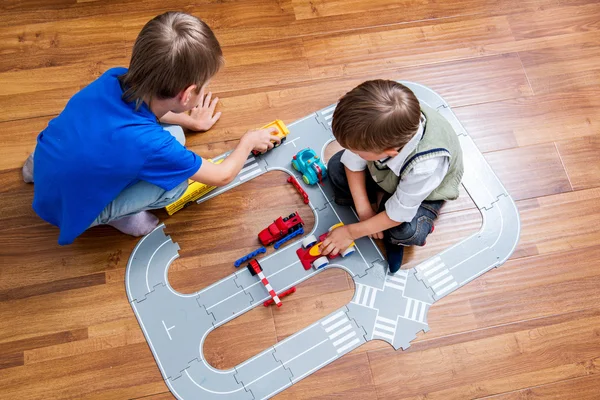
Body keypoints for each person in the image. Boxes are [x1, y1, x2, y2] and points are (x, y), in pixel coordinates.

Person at [22, 11, 280, 245]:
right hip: (68, 211)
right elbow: (222, 175)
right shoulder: (152, 145)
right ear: (187, 94)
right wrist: (248, 140)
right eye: (203, 87)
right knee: (177, 183)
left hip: (49, 157)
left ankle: (34, 169)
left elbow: (144, 108)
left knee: (175, 134)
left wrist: (191, 122)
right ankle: (116, 216)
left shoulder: (114, 77)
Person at [321, 80, 464, 273]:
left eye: (360, 153)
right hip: (388, 171)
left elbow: (398, 215)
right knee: (337, 168)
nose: (354, 153)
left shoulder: (425, 167)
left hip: (426, 190)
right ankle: (381, 200)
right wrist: (363, 210)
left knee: (406, 232)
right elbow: (352, 161)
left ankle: (393, 207)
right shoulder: (384, 128)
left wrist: (350, 232)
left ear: (390, 152)